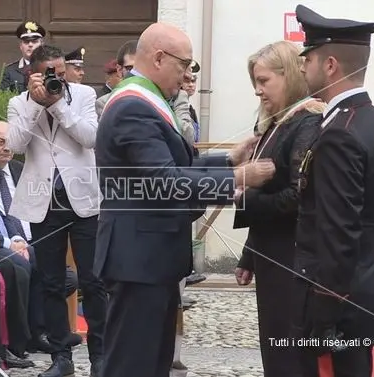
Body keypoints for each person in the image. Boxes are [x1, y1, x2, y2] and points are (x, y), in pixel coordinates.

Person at [94, 22, 275, 377]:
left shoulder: (149, 100)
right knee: (133, 362)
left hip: (150, 256)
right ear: (159, 58)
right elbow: (165, 181)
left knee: (154, 360)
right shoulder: (135, 106)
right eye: (185, 64)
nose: (187, 74)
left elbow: (176, 164)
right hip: (139, 259)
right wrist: (237, 178)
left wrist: (226, 160)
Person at [293, 5, 374, 377]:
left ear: (330, 64)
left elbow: (339, 231)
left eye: (308, 58)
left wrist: (323, 312)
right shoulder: (369, 122)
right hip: (360, 290)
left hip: (339, 304)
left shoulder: (341, 131)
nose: (303, 67)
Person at [6, 44, 107, 377]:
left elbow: (90, 137)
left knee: (93, 281)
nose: (57, 80)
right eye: (50, 74)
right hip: (44, 202)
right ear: (33, 73)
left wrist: (58, 105)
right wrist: (37, 105)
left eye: (61, 74)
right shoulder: (18, 103)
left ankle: (99, 356)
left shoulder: (82, 95)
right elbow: (16, 145)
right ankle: (61, 357)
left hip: (83, 201)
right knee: (51, 282)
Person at [233, 40, 323, 377]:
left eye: (264, 80)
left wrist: (243, 199)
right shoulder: (278, 123)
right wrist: (249, 254)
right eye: (255, 82)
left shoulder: (306, 122)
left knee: (289, 353)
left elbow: (298, 195)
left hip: (292, 257)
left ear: (290, 78)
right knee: (274, 347)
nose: (258, 90)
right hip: (272, 254)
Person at [1, 20, 46, 93]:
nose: (30, 45)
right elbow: (2, 96)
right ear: (20, 46)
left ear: (42, 44)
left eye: (34, 41)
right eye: (26, 42)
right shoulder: (9, 71)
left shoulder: (50, 67)